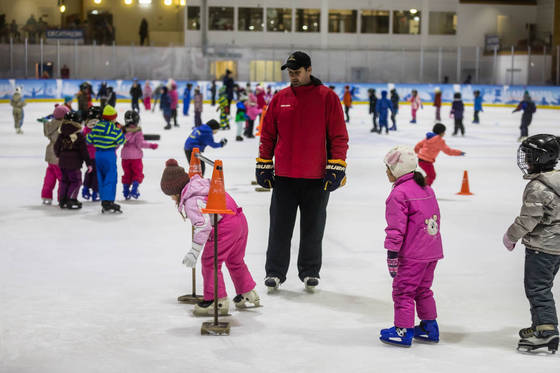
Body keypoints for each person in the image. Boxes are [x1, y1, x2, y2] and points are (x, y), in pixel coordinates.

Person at [257, 51, 349, 292]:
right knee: (279, 228)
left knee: (313, 228)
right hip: (285, 178)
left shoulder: (327, 98)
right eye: (290, 73)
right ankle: (275, 272)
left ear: (309, 69)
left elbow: (338, 136)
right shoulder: (280, 98)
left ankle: (309, 272)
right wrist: (264, 164)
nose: (293, 77)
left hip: (317, 179)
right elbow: (267, 135)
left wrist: (336, 166)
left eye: (297, 72)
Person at [160, 159, 260, 316]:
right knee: (235, 260)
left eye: (172, 195)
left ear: (177, 190)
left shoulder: (191, 201)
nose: (173, 199)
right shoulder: (200, 185)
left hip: (225, 227)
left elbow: (203, 226)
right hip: (240, 221)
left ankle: (216, 300)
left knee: (210, 262)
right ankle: (248, 292)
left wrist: (194, 251)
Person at [379, 145, 443, 347]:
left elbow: (396, 229)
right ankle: (429, 327)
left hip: (412, 254)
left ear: (397, 171)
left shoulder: (398, 194)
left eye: (388, 168)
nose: (386, 172)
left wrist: (392, 254)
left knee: (403, 291)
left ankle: (402, 330)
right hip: (431, 251)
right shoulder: (426, 187)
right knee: (423, 289)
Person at [503, 134, 560, 353]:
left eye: (529, 156)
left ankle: (547, 330)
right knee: (541, 286)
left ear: (541, 158)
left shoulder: (539, 187)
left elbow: (528, 219)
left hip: (542, 247)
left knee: (537, 288)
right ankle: (539, 325)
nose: (525, 160)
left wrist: (511, 236)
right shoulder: (556, 179)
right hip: (556, 246)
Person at [85, 105, 126, 213]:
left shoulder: (97, 127)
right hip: (109, 155)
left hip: (98, 155)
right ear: (112, 118)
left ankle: (104, 200)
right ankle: (108, 201)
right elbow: (122, 140)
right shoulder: (113, 128)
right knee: (110, 177)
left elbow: (88, 139)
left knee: (101, 177)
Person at [54, 111, 93, 210]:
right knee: (76, 181)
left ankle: (63, 200)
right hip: (74, 164)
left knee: (64, 181)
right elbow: (84, 151)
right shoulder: (79, 135)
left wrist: (60, 155)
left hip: (62, 162)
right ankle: (71, 199)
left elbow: (56, 147)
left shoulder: (61, 133)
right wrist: (89, 163)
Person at [121, 111, 158, 200]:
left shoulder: (122, 131)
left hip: (125, 157)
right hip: (136, 157)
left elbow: (118, 142)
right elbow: (140, 144)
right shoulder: (137, 131)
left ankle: (126, 190)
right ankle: (134, 189)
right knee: (137, 173)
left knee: (127, 173)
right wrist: (151, 145)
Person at [41, 105, 69, 205]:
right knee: (62, 178)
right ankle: (62, 197)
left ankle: (46, 196)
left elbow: (46, 133)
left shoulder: (50, 124)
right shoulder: (64, 127)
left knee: (50, 176)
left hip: (50, 154)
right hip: (59, 155)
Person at [82, 106, 101, 202]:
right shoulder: (100, 127)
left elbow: (83, 140)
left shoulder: (85, 128)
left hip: (88, 155)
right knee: (96, 173)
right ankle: (95, 192)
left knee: (89, 171)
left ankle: (85, 188)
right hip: (97, 154)